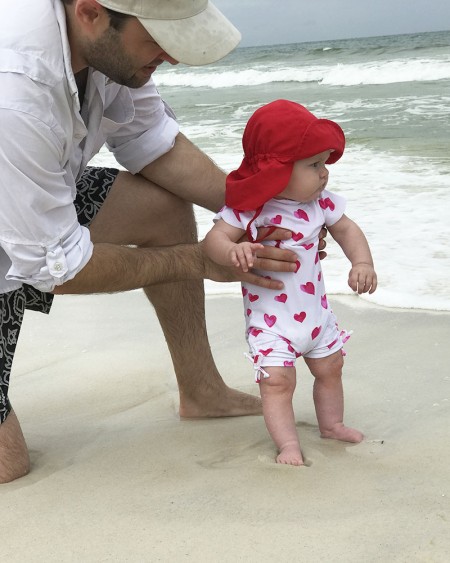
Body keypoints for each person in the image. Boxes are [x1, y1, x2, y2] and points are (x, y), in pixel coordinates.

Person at [0, 1, 326, 483]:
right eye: (158, 37)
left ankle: (202, 390)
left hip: (23, 194)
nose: (171, 56)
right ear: (90, 12)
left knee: (162, 207)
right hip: (19, 208)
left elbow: (151, 139)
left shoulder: (103, 49)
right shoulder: (16, 89)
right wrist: (198, 261)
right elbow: (57, 270)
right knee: (9, 465)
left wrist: (258, 218)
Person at [204, 100, 377, 466]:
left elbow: (347, 229)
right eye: (314, 165)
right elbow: (214, 240)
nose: (324, 173)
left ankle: (332, 425)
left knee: (330, 369)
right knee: (277, 382)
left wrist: (362, 262)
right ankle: (288, 445)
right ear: (276, 170)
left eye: (325, 163)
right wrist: (233, 252)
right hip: (272, 323)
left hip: (316, 316)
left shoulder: (321, 203)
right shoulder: (250, 208)